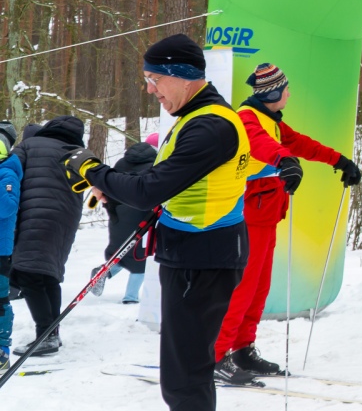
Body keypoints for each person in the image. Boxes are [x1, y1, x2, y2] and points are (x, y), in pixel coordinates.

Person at [66, 34, 250, 411]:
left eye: (155, 78)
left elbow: (150, 188)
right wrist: (110, 189)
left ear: (183, 76)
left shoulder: (209, 127)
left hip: (203, 258)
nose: (150, 90)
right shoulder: (196, 119)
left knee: (186, 374)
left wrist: (94, 170)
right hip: (194, 254)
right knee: (182, 369)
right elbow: (169, 186)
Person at [214, 63, 362, 385]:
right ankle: (216, 356)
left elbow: (302, 144)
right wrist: (284, 161)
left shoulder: (272, 121)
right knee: (242, 288)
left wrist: (340, 161)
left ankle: (242, 349)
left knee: (258, 288)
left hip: (266, 214)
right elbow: (259, 145)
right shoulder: (248, 118)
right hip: (248, 213)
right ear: (273, 92)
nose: (289, 93)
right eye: (286, 89)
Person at [9, 115, 87, 357]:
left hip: (35, 215)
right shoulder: (79, 154)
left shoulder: (30, 146)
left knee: (28, 274)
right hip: (64, 221)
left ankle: (46, 336)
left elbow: (13, 175)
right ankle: (52, 333)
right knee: (48, 275)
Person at [88, 133, 161, 305]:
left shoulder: (122, 162)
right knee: (140, 259)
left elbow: (110, 185)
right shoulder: (155, 166)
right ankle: (131, 297)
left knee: (122, 252)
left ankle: (104, 272)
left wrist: (111, 209)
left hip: (118, 216)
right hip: (141, 217)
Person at [0, 121, 19, 370]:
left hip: (0, 250)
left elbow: (7, 207)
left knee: (0, 300)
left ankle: (2, 349)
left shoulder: (8, 173)